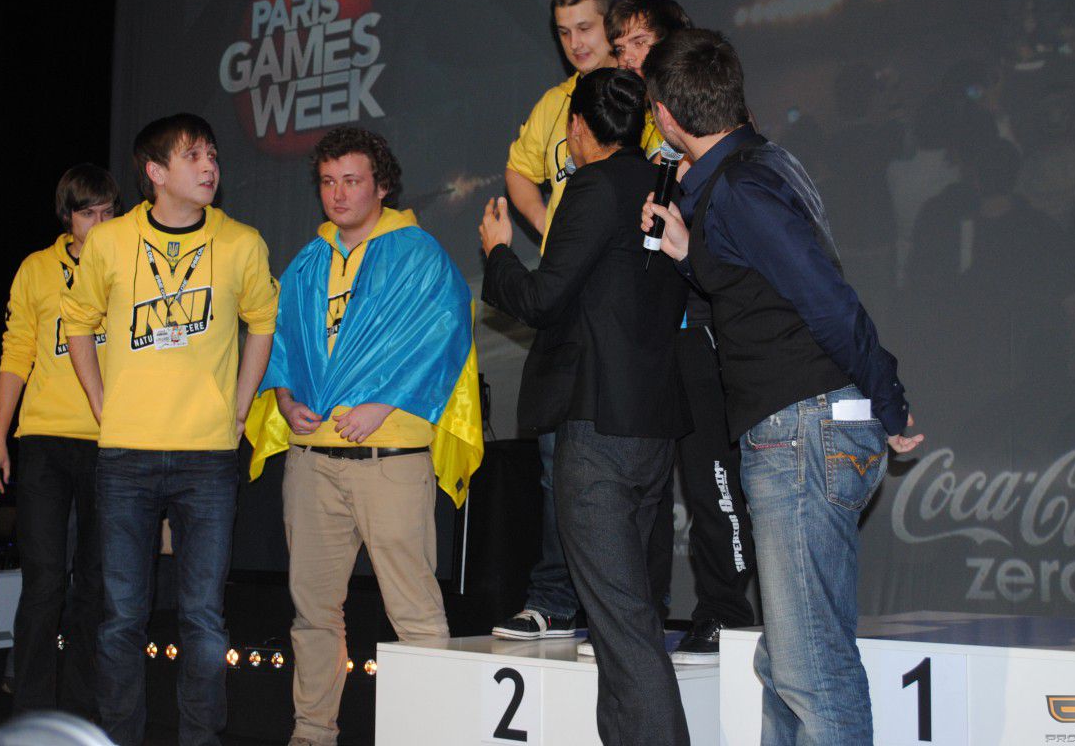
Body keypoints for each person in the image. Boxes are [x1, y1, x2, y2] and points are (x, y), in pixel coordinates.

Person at [641, 29, 923, 745]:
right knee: (789, 664)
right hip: (810, 427)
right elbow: (759, 287)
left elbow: (826, 299)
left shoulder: (740, 188)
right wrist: (688, 254)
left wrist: (888, 398)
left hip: (801, 430)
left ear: (667, 117)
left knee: (810, 672)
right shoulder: (759, 169)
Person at [245, 126, 482, 746]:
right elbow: (282, 343)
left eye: (352, 181)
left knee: (415, 611)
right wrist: (286, 398)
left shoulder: (418, 253)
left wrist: (385, 403)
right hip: (312, 461)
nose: (339, 193)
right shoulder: (307, 261)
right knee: (313, 613)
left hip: (390, 457)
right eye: (328, 181)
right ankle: (312, 732)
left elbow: (446, 337)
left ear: (382, 186)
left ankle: (432, 738)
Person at [482, 67, 692, 746]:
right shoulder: (665, 183)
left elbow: (543, 299)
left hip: (598, 429)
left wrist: (498, 255)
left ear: (576, 126)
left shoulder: (593, 186)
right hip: (651, 426)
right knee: (626, 622)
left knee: (622, 629)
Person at [61, 114, 279, 746]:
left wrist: (240, 407)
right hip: (125, 455)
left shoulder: (241, 242)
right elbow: (78, 322)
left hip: (206, 456)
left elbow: (263, 322)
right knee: (121, 618)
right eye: (193, 156)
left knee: (204, 618)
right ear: (155, 172)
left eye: (212, 154)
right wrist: (101, 403)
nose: (210, 166)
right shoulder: (109, 241)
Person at [494, 0, 666, 643]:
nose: (575, 43)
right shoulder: (554, 105)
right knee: (555, 466)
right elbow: (518, 171)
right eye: (563, 32)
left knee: (627, 478)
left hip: (628, 307)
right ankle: (555, 599)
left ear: (613, 27)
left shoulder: (643, 99)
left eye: (587, 28)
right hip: (570, 298)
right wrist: (549, 228)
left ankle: (624, 612)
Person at [608, 0, 759, 664]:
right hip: (652, 334)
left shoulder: (713, 134)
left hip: (703, 330)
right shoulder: (638, 128)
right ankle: (637, 612)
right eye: (620, 45)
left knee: (710, 479)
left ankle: (726, 611)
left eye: (639, 42)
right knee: (640, 482)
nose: (626, 56)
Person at [0, 164, 119, 718]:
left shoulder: (128, 265)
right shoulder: (36, 269)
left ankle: (82, 708)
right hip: (42, 440)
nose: (100, 223)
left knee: (95, 583)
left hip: (110, 442)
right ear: (68, 216)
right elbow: (16, 352)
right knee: (44, 580)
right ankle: (33, 709)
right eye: (89, 214)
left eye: (109, 212)